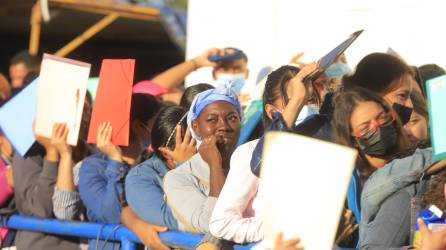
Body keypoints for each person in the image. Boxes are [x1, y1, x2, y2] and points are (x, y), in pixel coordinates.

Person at [332, 87, 434, 249]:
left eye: (383, 118)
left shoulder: (416, 162)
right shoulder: (348, 183)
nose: (377, 127)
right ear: (352, 140)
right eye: (365, 128)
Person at [78, 93, 161, 250]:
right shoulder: (92, 167)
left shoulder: (153, 163)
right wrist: (116, 160)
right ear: (138, 126)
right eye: (155, 123)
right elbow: (111, 215)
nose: (160, 128)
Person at [163, 85, 242, 234]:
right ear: (196, 127)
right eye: (212, 120)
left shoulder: (251, 164)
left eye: (232, 118)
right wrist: (215, 165)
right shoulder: (178, 178)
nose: (223, 126)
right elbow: (212, 224)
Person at [125, 105, 196, 229]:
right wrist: (186, 167)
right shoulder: (140, 178)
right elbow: (176, 219)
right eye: (193, 143)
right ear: (166, 153)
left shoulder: (215, 161)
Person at [12, 125, 80, 250]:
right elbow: (41, 209)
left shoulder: (87, 147)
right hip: (44, 245)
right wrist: (52, 153)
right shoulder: (27, 155)